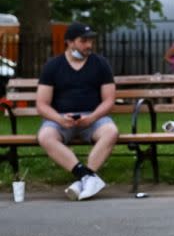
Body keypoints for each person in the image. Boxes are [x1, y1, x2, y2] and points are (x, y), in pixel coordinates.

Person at [35, 21, 119, 200]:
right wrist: (59, 119)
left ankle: (85, 180)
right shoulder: (53, 66)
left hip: (93, 117)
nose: (89, 45)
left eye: (91, 40)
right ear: (70, 42)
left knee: (111, 132)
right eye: (83, 41)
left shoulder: (100, 64)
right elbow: (42, 104)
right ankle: (85, 176)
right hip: (61, 118)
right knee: (45, 137)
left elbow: (109, 99)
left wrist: (92, 117)